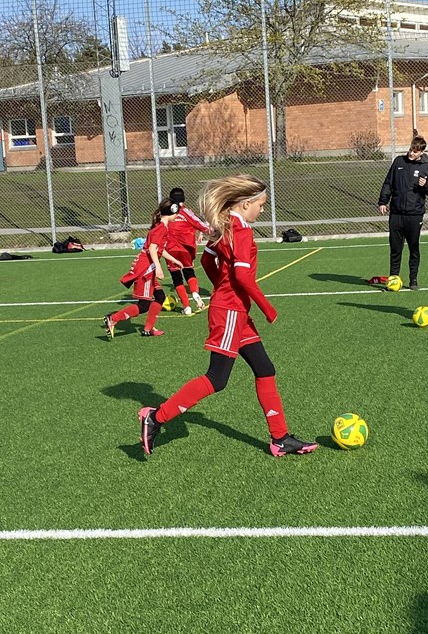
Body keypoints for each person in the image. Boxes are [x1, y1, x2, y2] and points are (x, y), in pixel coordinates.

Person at [139, 174, 318, 457]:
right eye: (261, 204)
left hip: (234, 310)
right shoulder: (240, 231)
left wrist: (222, 287)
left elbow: (207, 258)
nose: (262, 209)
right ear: (246, 204)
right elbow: (243, 277)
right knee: (217, 378)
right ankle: (155, 417)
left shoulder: (227, 227)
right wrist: (267, 308)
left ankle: (280, 438)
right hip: (231, 311)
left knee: (265, 369)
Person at [104, 199, 184, 339]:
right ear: (171, 212)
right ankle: (113, 319)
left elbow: (159, 249)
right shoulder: (161, 228)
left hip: (148, 267)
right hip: (146, 269)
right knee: (144, 305)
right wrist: (158, 268)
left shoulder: (160, 227)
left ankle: (148, 329)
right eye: (177, 213)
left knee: (160, 297)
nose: (177, 216)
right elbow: (152, 249)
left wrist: (174, 260)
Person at [377, 135, 428, 290]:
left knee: (413, 248)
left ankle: (413, 280)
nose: (411, 153)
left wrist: (425, 185)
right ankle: (393, 278)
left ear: (421, 152)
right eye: (411, 149)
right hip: (396, 213)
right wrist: (383, 201)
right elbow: (388, 183)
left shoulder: (427, 167)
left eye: (415, 151)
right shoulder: (399, 162)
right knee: (395, 248)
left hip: (414, 214)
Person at [165, 186, 212, 315]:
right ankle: (195, 293)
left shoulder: (165, 212)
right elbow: (200, 224)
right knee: (189, 272)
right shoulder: (186, 212)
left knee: (176, 277)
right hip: (186, 248)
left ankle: (186, 307)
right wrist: (209, 231)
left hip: (170, 249)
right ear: (183, 199)